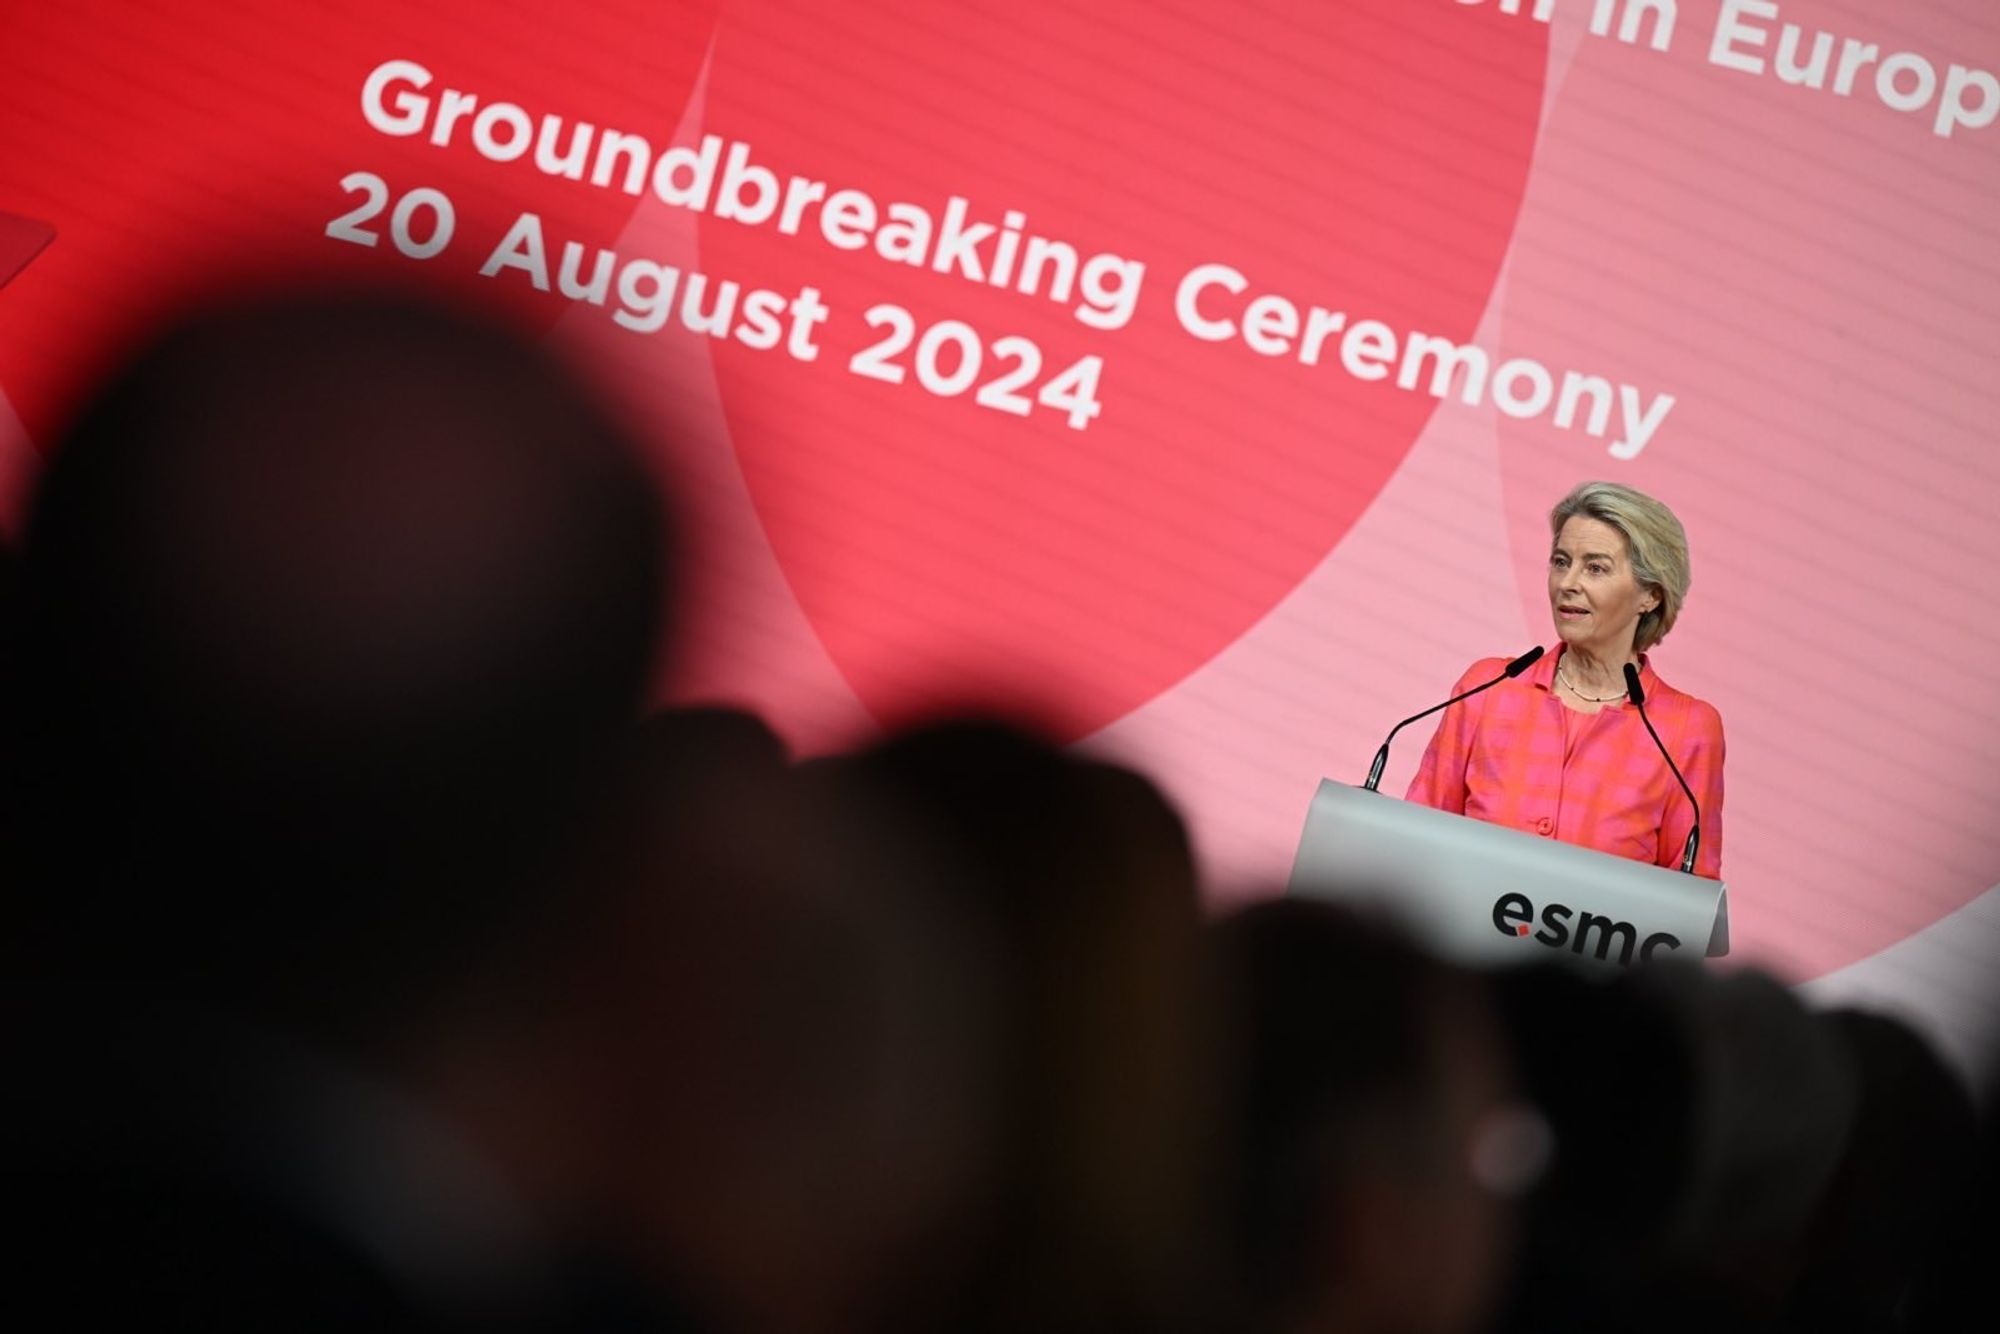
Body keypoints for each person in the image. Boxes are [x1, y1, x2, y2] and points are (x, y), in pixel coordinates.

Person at [1407, 480, 1724, 878]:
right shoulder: (1489, 688)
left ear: (1650, 595)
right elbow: (1414, 839)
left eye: (1595, 567)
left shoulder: (1686, 729)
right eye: (1561, 561)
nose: (1567, 583)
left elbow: (1688, 903)